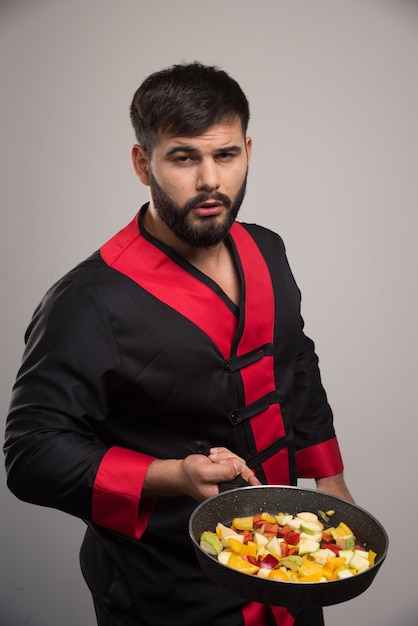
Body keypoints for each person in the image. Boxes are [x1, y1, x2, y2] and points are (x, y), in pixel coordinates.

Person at [4, 62, 354, 626]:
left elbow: (295, 361)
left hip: (285, 553)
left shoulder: (267, 249)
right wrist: (171, 474)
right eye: (184, 157)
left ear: (248, 150)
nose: (210, 180)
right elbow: (31, 454)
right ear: (144, 163)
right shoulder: (88, 301)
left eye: (226, 155)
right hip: (166, 585)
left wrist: (330, 484)